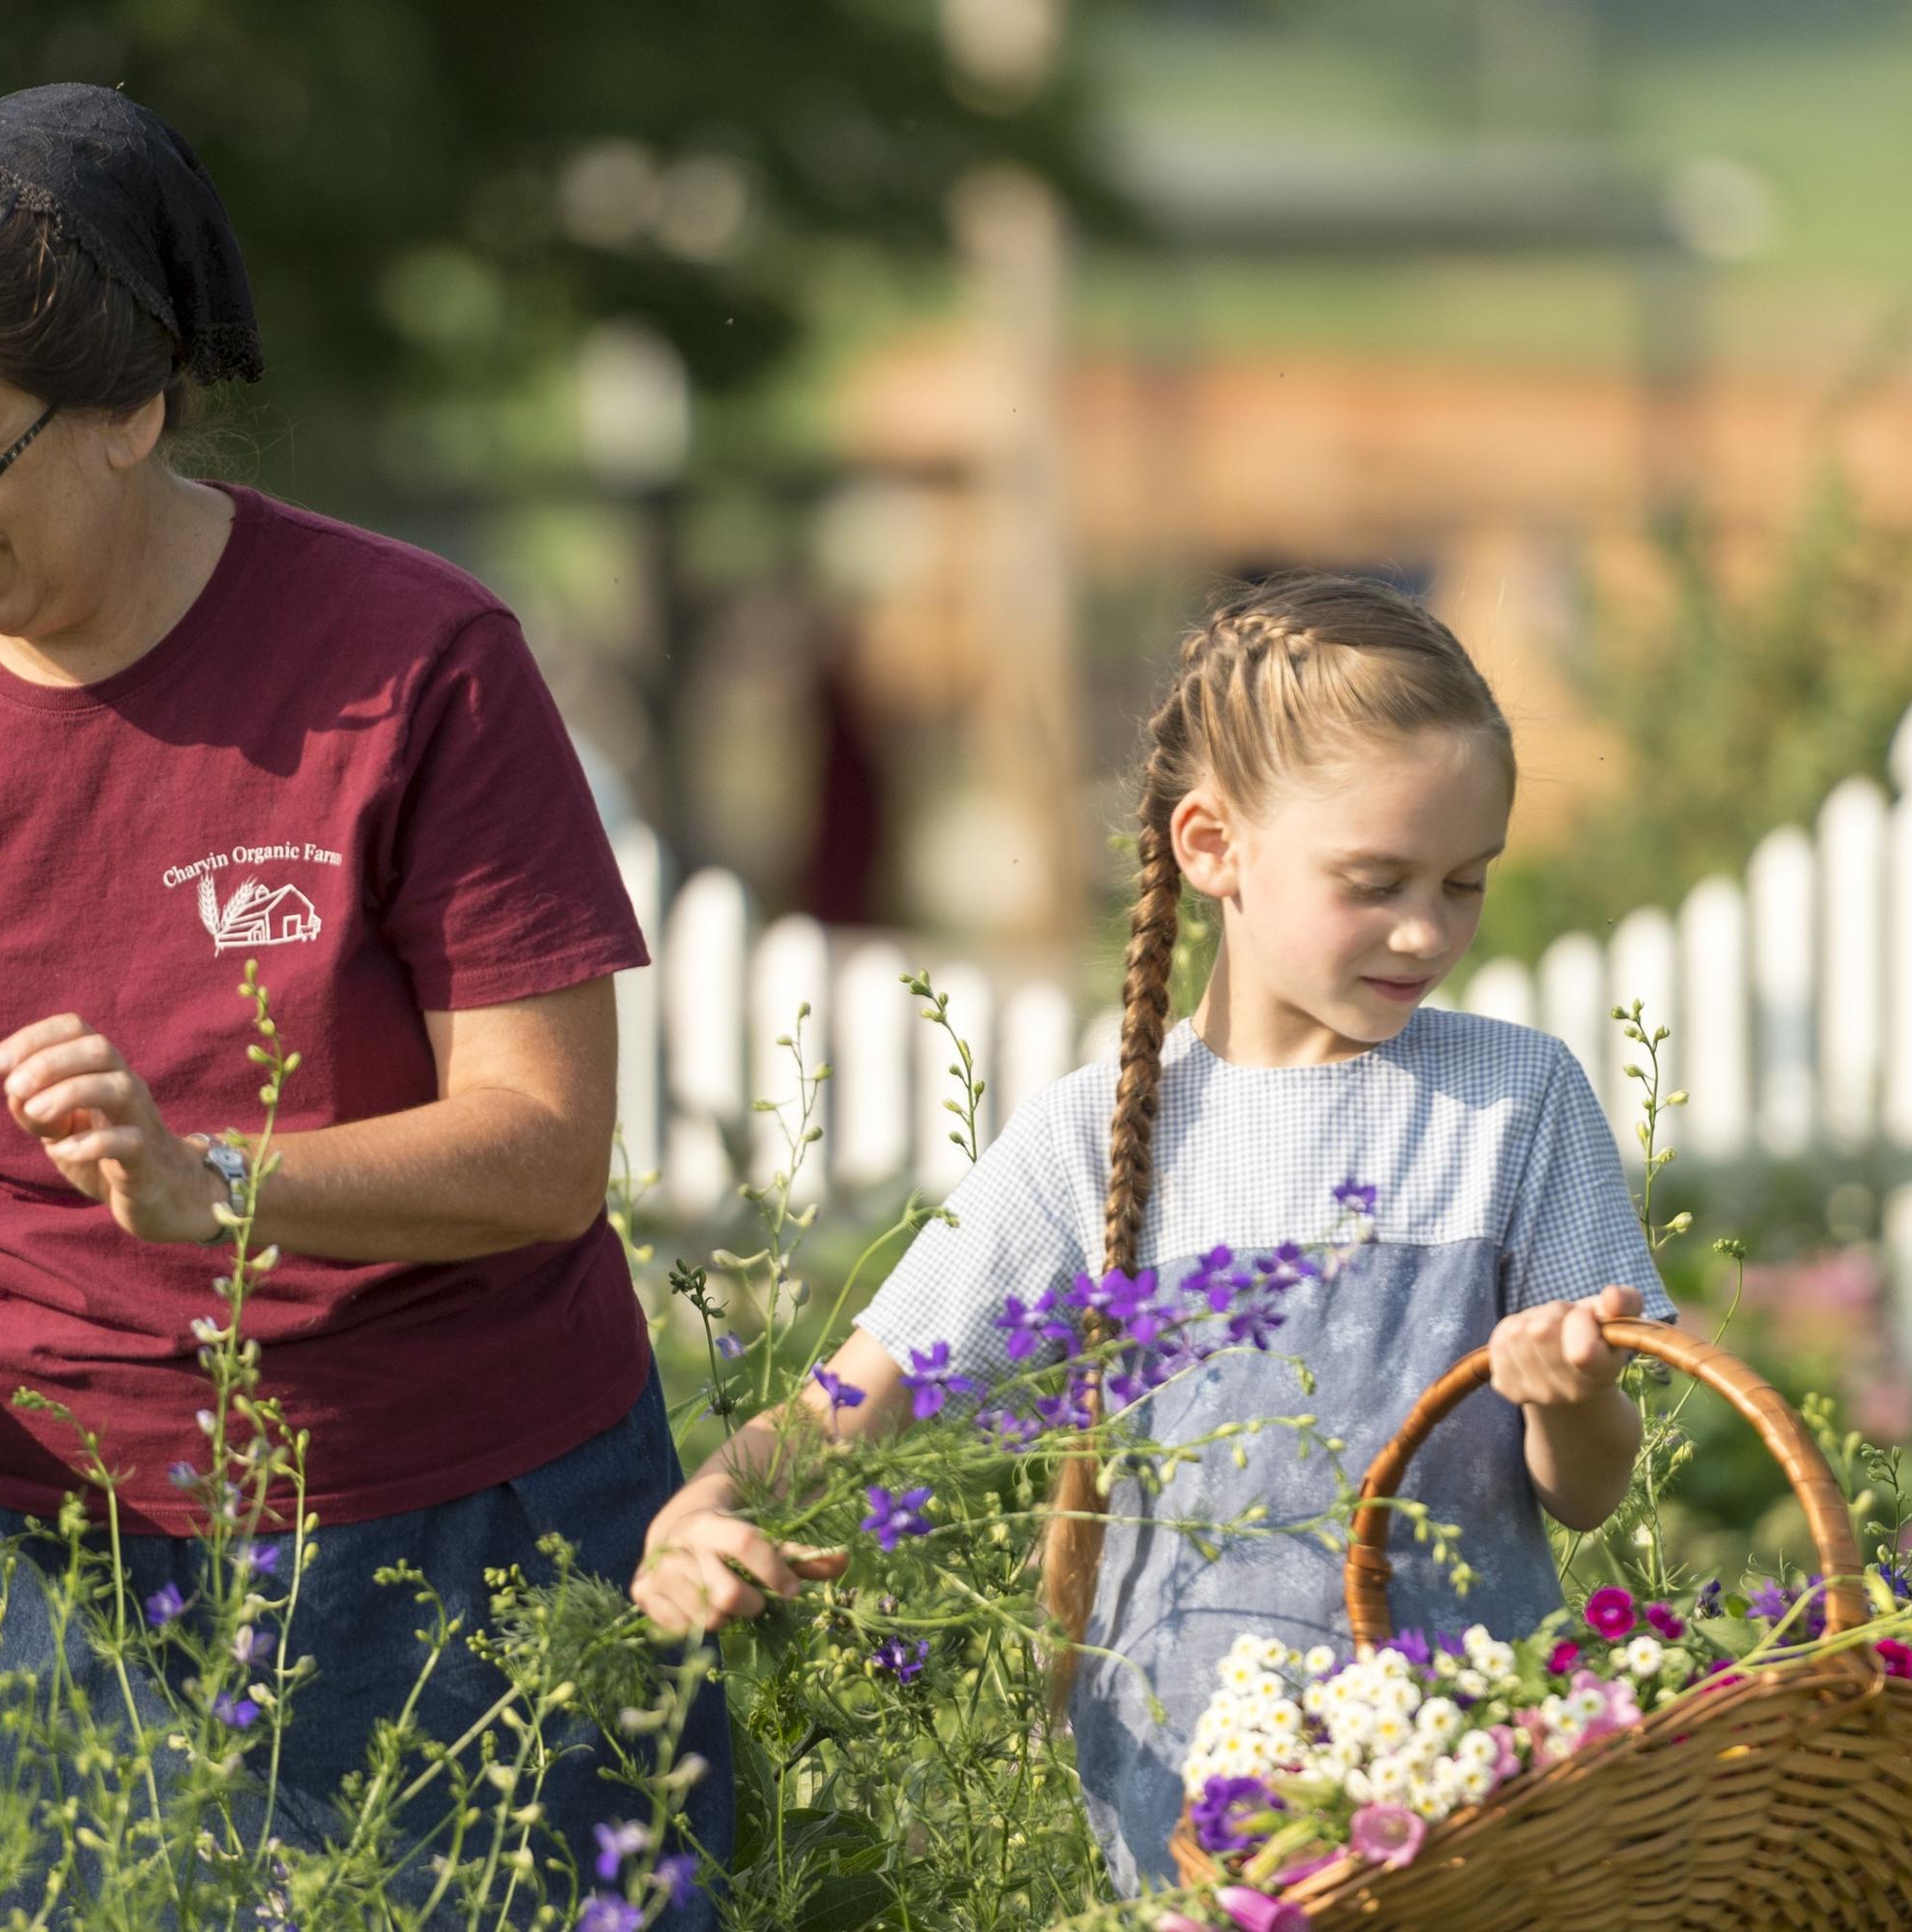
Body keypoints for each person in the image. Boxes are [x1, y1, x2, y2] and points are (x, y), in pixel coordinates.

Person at [0, 84, 723, 1916]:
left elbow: (545, 1152)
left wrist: (213, 1183)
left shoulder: (416, 669)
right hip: (23, 1560)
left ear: (129, 407)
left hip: (455, 1528)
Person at [631, 573, 1675, 1895]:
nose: (1429, 930)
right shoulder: (1092, 1136)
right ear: (1211, 846)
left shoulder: (1515, 1102)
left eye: (1467, 883)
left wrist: (1569, 1395)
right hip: (1196, 1821)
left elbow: (1588, 1488)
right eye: (1378, 881)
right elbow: (856, 1397)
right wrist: (704, 1507)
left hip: (1477, 1797)